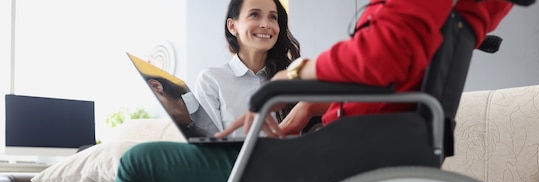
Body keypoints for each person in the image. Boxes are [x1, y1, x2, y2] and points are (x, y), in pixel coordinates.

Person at [111, 0, 316, 182]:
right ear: (232, 26)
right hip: (233, 167)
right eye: (255, 15)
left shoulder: (294, 76)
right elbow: (211, 146)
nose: (266, 23)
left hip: (279, 170)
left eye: (273, 17)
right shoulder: (212, 79)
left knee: (136, 162)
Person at [215, 0, 515, 139]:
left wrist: (292, 75)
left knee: (168, 164)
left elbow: (383, 55)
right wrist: (311, 104)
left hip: (353, 152)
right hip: (358, 141)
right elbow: (392, 85)